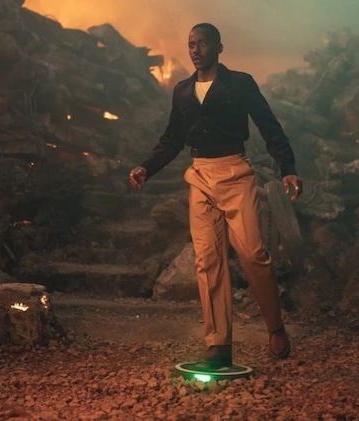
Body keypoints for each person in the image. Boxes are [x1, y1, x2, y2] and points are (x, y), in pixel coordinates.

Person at [128, 22, 302, 368]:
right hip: (200, 177)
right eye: (191, 44)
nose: (196, 50)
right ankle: (218, 346)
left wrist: (288, 167)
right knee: (208, 261)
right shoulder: (182, 91)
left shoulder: (240, 84)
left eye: (203, 44)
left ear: (219, 48)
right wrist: (147, 167)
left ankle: (275, 326)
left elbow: (269, 127)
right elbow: (172, 139)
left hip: (236, 174)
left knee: (253, 254)